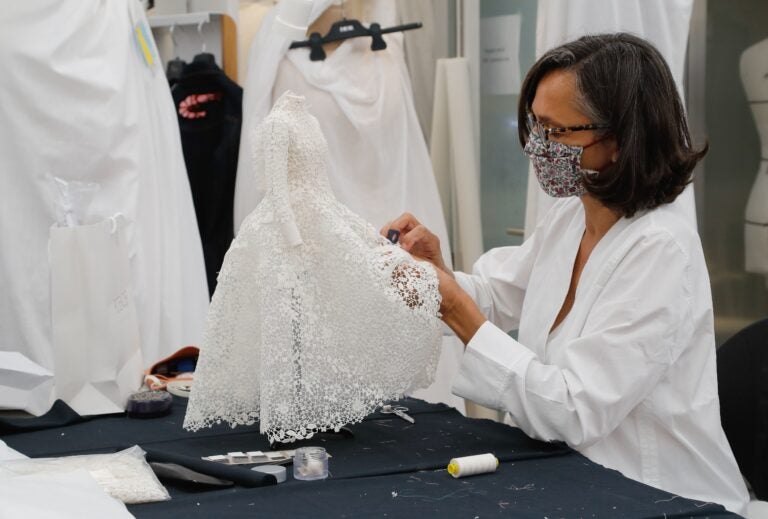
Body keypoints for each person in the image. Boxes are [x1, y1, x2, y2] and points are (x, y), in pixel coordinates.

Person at [383, 33, 749, 515]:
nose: (537, 146)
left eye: (556, 132)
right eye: (535, 125)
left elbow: (574, 410)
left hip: (663, 497)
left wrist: (452, 304)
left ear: (619, 140)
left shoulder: (661, 250)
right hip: (575, 480)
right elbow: (496, 294)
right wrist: (435, 272)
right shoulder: (573, 215)